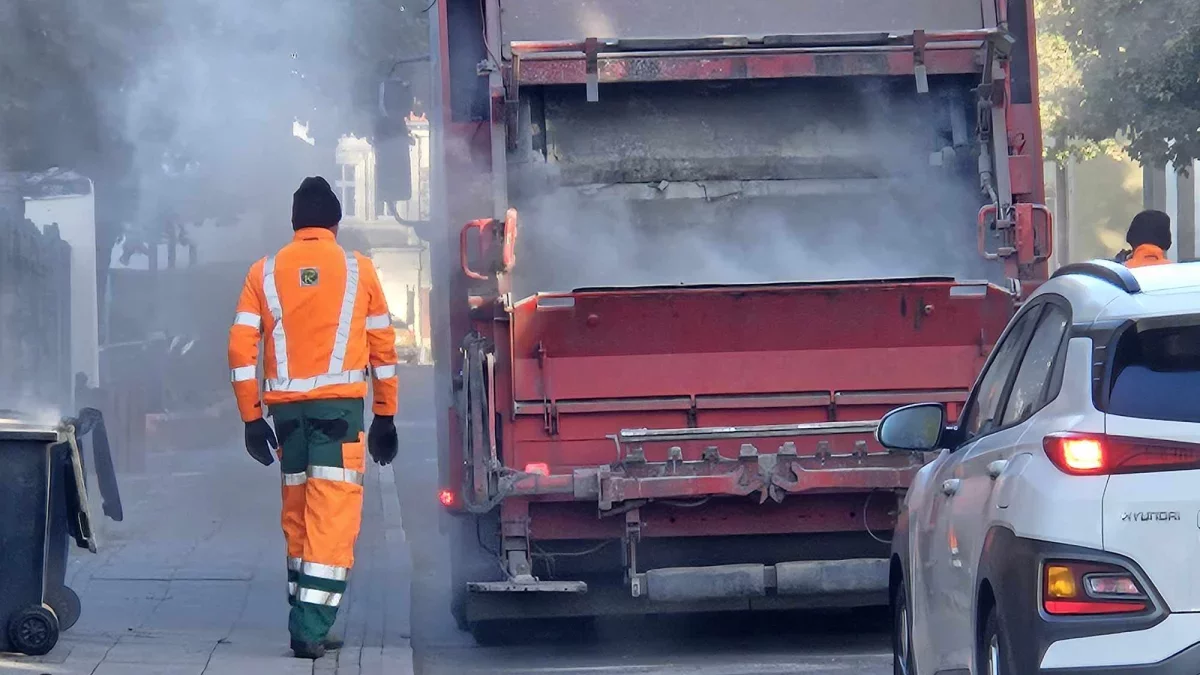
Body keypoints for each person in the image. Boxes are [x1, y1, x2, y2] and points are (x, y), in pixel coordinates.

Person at [227, 176, 400, 659]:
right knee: (333, 517)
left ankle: (310, 620)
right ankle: (309, 628)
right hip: (338, 414)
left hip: (285, 417)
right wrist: (385, 414)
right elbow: (383, 351)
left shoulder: (264, 271)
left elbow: (241, 347)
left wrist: (250, 417)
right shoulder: (358, 269)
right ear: (336, 224)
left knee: (299, 516)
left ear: (294, 224)